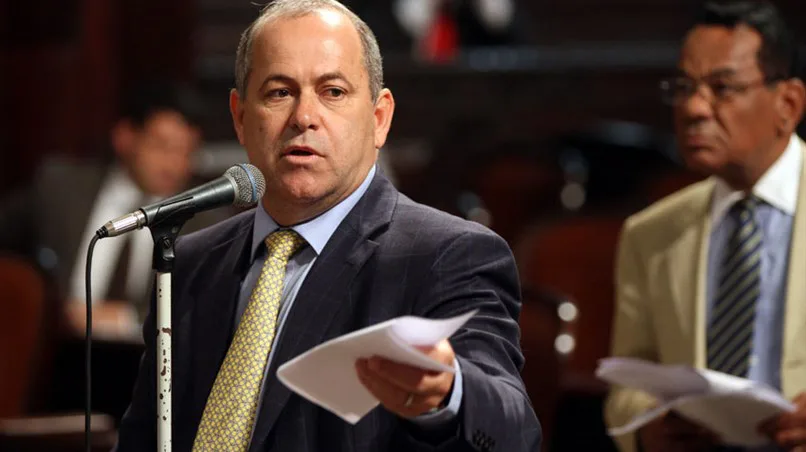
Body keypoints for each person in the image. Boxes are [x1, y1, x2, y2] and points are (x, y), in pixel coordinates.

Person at [114, 1, 540, 451]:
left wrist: (449, 394)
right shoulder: (191, 262)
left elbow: (515, 433)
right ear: (240, 117)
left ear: (379, 118)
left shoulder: (447, 255)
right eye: (280, 92)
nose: (304, 117)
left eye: (333, 92)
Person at [605, 2, 806, 452]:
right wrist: (647, 426)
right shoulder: (650, 234)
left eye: (722, 88)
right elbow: (626, 382)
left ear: (788, 103)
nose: (694, 108)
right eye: (684, 87)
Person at [0, 81, 210, 338]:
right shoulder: (59, 188)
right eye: (162, 146)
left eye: (187, 152)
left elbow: (202, 307)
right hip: (53, 347)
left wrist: (127, 318)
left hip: (142, 355)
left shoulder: (202, 220)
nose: (174, 164)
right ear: (125, 137)